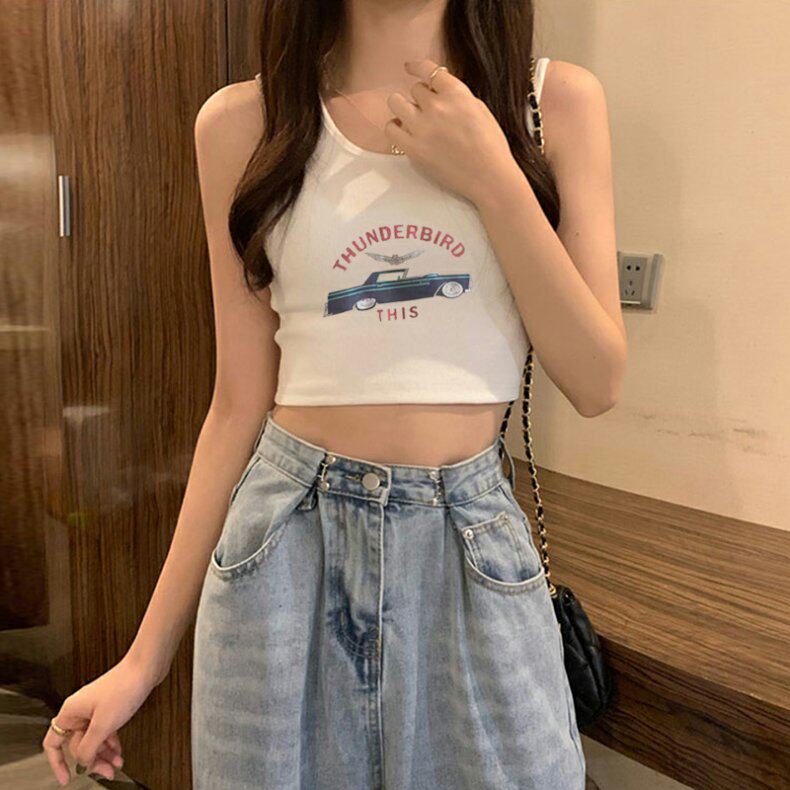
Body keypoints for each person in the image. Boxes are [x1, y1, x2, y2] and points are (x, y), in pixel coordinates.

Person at [43, 1, 626, 787]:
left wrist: (496, 181)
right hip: (284, 544)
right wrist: (143, 661)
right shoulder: (244, 123)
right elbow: (236, 405)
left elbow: (596, 382)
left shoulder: (551, 104)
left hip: (469, 541)